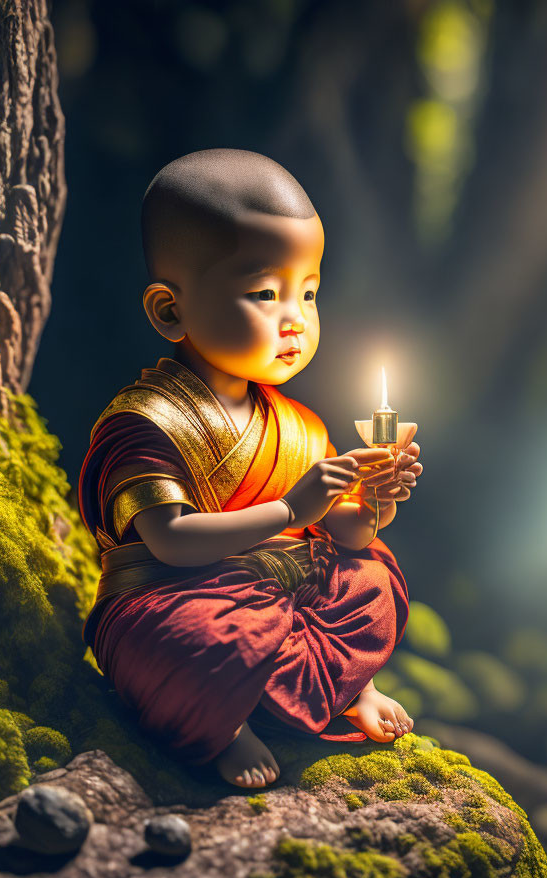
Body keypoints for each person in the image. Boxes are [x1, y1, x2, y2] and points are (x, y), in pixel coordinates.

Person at [77, 149, 423, 789]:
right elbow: (169, 541)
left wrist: (374, 503)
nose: (296, 320)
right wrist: (291, 510)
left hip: (283, 592)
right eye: (265, 293)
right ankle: (225, 725)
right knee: (190, 638)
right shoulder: (146, 422)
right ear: (170, 311)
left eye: (310, 292)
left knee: (371, 581)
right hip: (179, 596)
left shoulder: (300, 424)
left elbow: (341, 538)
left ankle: (349, 687)